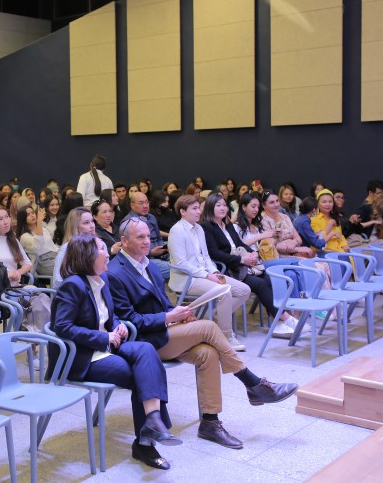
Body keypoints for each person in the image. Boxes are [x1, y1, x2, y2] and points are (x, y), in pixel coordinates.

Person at [107, 219, 298, 450]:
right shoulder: (115, 272)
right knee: (208, 327)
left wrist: (180, 315)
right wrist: (168, 317)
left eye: (148, 236)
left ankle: (210, 422)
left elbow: (165, 304)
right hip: (143, 343)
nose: (147, 241)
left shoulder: (150, 266)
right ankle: (253, 383)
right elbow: (128, 320)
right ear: (124, 241)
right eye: (140, 237)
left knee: (208, 353)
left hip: (163, 332)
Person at [52, 234, 180, 470]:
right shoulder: (73, 285)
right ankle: (146, 442)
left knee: (146, 350)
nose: (108, 251)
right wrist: (103, 337)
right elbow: (62, 327)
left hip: (107, 346)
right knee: (140, 374)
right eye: (102, 248)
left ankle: (152, 421)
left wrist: (119, 325)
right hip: (83, 356)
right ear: (87, 256)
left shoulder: (102, 279)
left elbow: (107, 317)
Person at [201, 193, 300, 338]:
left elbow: (239, 244)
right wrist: (242, 260)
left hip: (242, 265)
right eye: (218, 205)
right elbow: (214, 254)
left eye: (224, 205)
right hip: (228, 268)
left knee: (269, 278)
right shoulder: (206, 226)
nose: (223, 208)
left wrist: (252, 253)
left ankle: (279, 322)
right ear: (210, 207)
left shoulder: (227, 224)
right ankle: (286, 319)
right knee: (260, 284)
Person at [167, 195, 249, 351]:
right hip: (187, 279)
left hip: (205, 274)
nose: (199, 212)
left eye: (199, 208)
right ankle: (226, 335)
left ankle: (214, 320)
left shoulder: (199, 228)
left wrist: (215, 271)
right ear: (183, 212)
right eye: (194, 209)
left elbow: (205, 257)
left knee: (244, 290)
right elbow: (181, 263)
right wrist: (207, 275)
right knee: (224, 292)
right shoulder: (177, 231)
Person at [121, 192, 170, 281]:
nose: (145, 206)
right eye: (141, 203)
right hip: (144, 259)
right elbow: (130, 249)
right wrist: (151, 252)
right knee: (177, 270)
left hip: (160, 254)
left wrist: (163, 249)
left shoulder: (152, 217)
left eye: (147, 202)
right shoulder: (128, 222)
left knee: (182, 261)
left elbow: (159, 238)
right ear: (132, 205)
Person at [260, 190, 315, 258]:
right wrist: (297, 249)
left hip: (295, 253)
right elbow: (271, 245)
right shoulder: (262, 220)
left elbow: (298, 238)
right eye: (272, 202)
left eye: (277, 201)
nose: (276, 204)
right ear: (264, 205)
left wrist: (294, 242)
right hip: (277, 256)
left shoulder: (284, 217)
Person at [52, 207, 96, 288]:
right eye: (86, 223)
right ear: (75, 227)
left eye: (92, 221)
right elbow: (57, 281)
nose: (92, 226)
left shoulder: (100, 244)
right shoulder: (66, 249)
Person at [16, 205, 58, 276]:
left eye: (33, 213)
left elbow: (52, 246)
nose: (32, 216)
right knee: (67, 270)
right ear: (23, 218)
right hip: (42, 262)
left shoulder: (43, 230)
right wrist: (39, 221)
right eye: (28, 215)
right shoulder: (24, 236)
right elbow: (38, 245)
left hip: (55, 257)